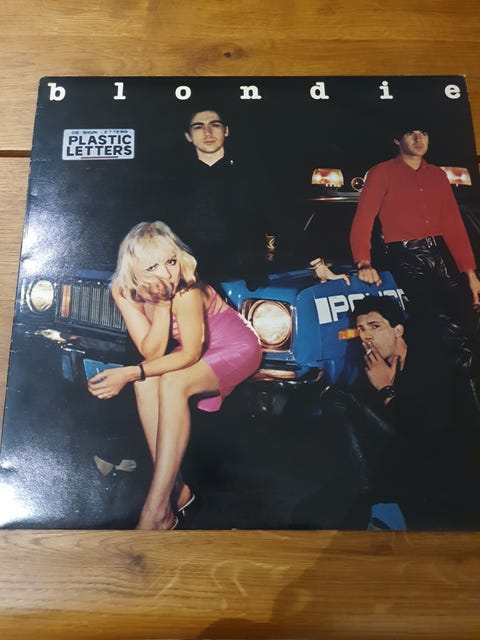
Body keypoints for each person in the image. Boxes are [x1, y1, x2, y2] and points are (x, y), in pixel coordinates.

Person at [87, 221, 263, 530]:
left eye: (170, 261)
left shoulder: (186, 289)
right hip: (195, 349)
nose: (167, 274)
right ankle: (178, 494)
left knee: (170, 382)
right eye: (152, 267)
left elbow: (190, 354)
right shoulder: (123, 290)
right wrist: (161, 306)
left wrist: (128, 372)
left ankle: (156, 510)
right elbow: (152, 352)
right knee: (145, 384)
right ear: (135, 270)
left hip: (238, 347)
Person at [169, 107, 349, 286]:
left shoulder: (251, 176)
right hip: (192, 281)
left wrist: (318, 264)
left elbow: (281, 220)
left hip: (246, 282)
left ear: (226, 131)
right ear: (188, 136)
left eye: (214, 125)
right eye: (199, 127)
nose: (207, 132)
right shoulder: (175, 182)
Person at [347, 295, 480, 527]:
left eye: (375, 326)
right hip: (409, 473)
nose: (366, 336)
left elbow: (429, 431)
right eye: (361, 329)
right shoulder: (373, 369)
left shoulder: (430, 363)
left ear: (398, 330)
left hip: (451, 471)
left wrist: (387, 390)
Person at [349, 126, 480, 340]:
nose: (419, 139)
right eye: (411, 133)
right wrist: (364, 262)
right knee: (439, 324)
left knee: (467, 320)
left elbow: (454, 226)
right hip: (405, 258)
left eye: (424, 133)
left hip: (440, 255)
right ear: (397, 140)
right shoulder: (381, 173)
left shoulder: (437, 175)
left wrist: (471, 274)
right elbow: (363, 220)